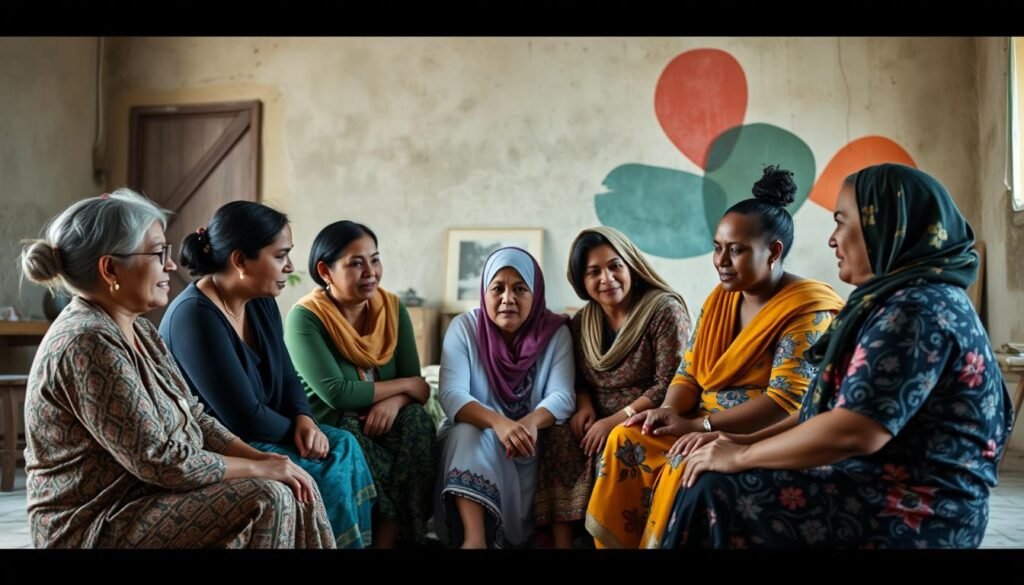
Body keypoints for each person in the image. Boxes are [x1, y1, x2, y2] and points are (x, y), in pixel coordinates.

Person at [662, 163, 1013, 549]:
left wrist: (742, 455)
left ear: (887, 226)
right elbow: (827, 411)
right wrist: (736, 440)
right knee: (703, 467)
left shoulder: (916, 309)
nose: (832, 240)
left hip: (918, 504)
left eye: (841, 223)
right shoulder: (897, 300)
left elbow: (854, 430)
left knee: (715, 488)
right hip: (879, 478)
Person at [21, 189, 334, 548]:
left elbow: (194, 415)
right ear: (110, 269)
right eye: (158, 253)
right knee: (267, 495)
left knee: (294, 481)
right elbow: (160, 460)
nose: (170, 265)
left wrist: (264, 458)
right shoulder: (87, 341)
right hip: (96, 519)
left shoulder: (139, 329)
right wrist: (258, 468)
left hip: (145, 497)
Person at [586, 166, 845, 548]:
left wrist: (701, 427)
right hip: (699, 420)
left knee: (684, 462)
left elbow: (784, 402)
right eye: (717, 247)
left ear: (773, 252)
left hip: (754, 433)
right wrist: (668, 412)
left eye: (736, 250)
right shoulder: (720, 300)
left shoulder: (808, 309)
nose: (721, 260)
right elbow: (689, 372)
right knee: (626, 437)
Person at [160, 201, 375, 548]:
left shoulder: (260, 301)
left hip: (271, 430)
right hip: (229, 446)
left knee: (346, 445)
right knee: (325, 469)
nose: (289, 266)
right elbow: (242, 418)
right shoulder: (194, 317)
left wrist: (305, 418)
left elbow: (288, 375)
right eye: (280, 256)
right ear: (240, 261)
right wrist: (298, 432)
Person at [533, 226, 691, 548]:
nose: (607, 279)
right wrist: (585, 405)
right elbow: (578, 378)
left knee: (619, 441)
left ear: (631, 265)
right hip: (597, 415)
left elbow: (672, 382)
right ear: (581, 280)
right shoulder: (583, 322)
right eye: (593, 272)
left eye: (614, 266)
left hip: (647, 416)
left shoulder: (663, 310)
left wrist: (615, 420)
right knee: (558, 434)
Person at [285, 220, 437, 547]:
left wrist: (394, 402)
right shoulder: (305, 318)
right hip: (332, 424)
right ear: (325, 271)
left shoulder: (391, 309)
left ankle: (406, 537)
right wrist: (405, 387)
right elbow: (337, 393)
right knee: (355, 438)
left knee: (417, 422)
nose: (371, 272)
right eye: (356, 263)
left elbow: (415, 385)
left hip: (383, 420)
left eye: (375, 260)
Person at [434, 247, 574, 548]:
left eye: (520, 289)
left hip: (529, 446)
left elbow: (563, 395)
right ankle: (474, 539)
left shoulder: (555, 332)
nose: (508, 298)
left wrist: (529, 423)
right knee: (466, 432)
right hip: (475, 446)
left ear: (535, 294)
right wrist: (498, 423)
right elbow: (451, 394)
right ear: (484, 293)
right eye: (497, 288)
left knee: (557, 440)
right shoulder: (465, 328)